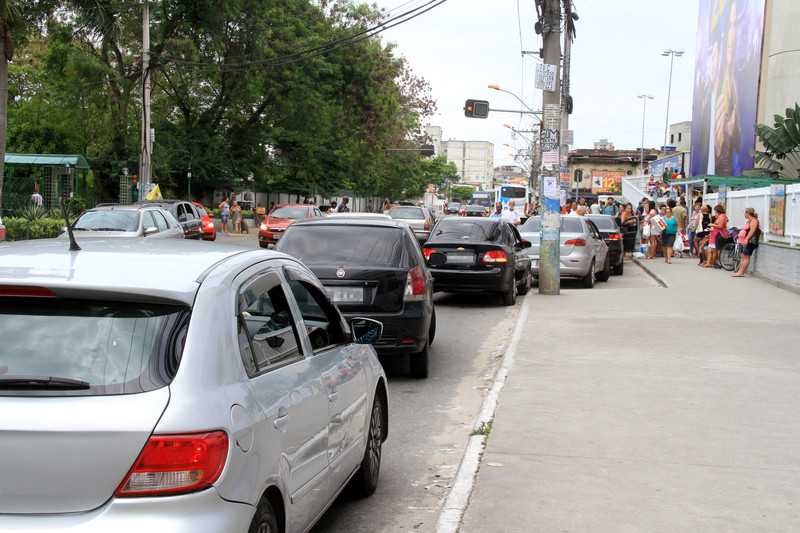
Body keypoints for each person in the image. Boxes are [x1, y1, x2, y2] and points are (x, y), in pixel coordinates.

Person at [733, 208, 761, 277]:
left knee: (746, 256)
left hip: (751, 241)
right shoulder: (749, 220)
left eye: (745, 213)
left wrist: (746, 239)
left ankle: (740, 273)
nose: (744, 215)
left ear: (748, 213)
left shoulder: (754, 221)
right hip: (747, 240)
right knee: (743, 256)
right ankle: (740, 271)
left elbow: (752, 231)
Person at [703, 204, 728, 268]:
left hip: (719, 234)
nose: (715, 213)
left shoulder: (722, 216)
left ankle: (713, 263)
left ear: (718, 210)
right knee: (711, 250)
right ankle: (710, 263)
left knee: (714, 250)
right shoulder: (721, 216)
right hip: (715, 234)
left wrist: (712, 225)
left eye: (715, 211)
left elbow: (720, 226)